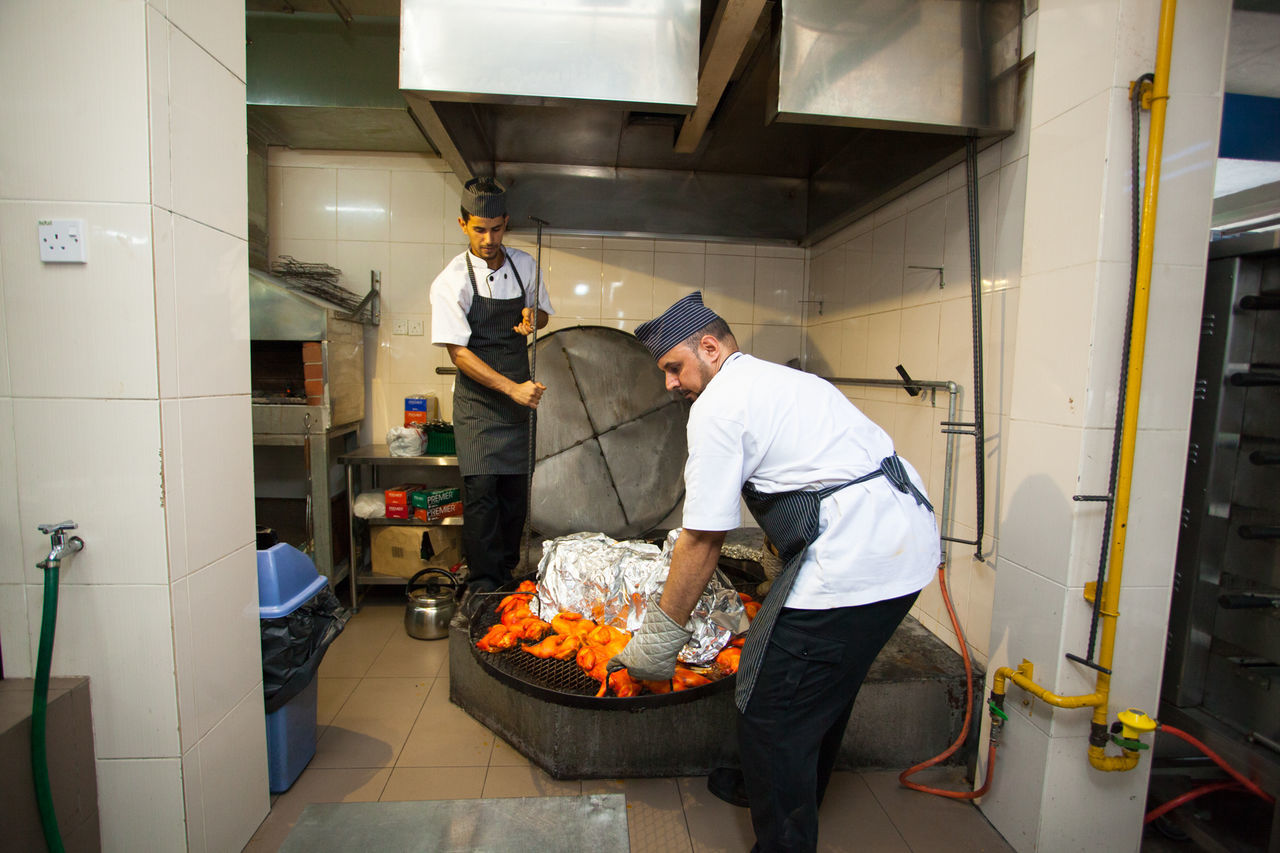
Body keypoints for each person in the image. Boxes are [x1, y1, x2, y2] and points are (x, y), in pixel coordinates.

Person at [610, 291, 939, 853]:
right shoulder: (785, 381)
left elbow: (701, 539)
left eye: (673, 367)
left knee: (772, 712)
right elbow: (807, 471)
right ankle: (779, 788)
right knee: (824, 690)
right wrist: (779, 550)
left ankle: (784, 840)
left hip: (855, 558)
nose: (669, 383)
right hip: (908, 548)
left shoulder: (717, 407)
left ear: (709, 348)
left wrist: (660, 638)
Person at [430, 177, 552, 607]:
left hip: (519, 406)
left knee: (513, 498)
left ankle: (507, 579)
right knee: (481, 495)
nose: (488, 238)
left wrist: (531, 318)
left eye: (497, 229)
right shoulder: (451, 281)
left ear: (507, 224)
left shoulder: (526, 265)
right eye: (479, 229)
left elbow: (541, 315)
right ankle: (483, 588)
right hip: (480, 405)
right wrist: (512, 390)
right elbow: (459, 354)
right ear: (463, 224)